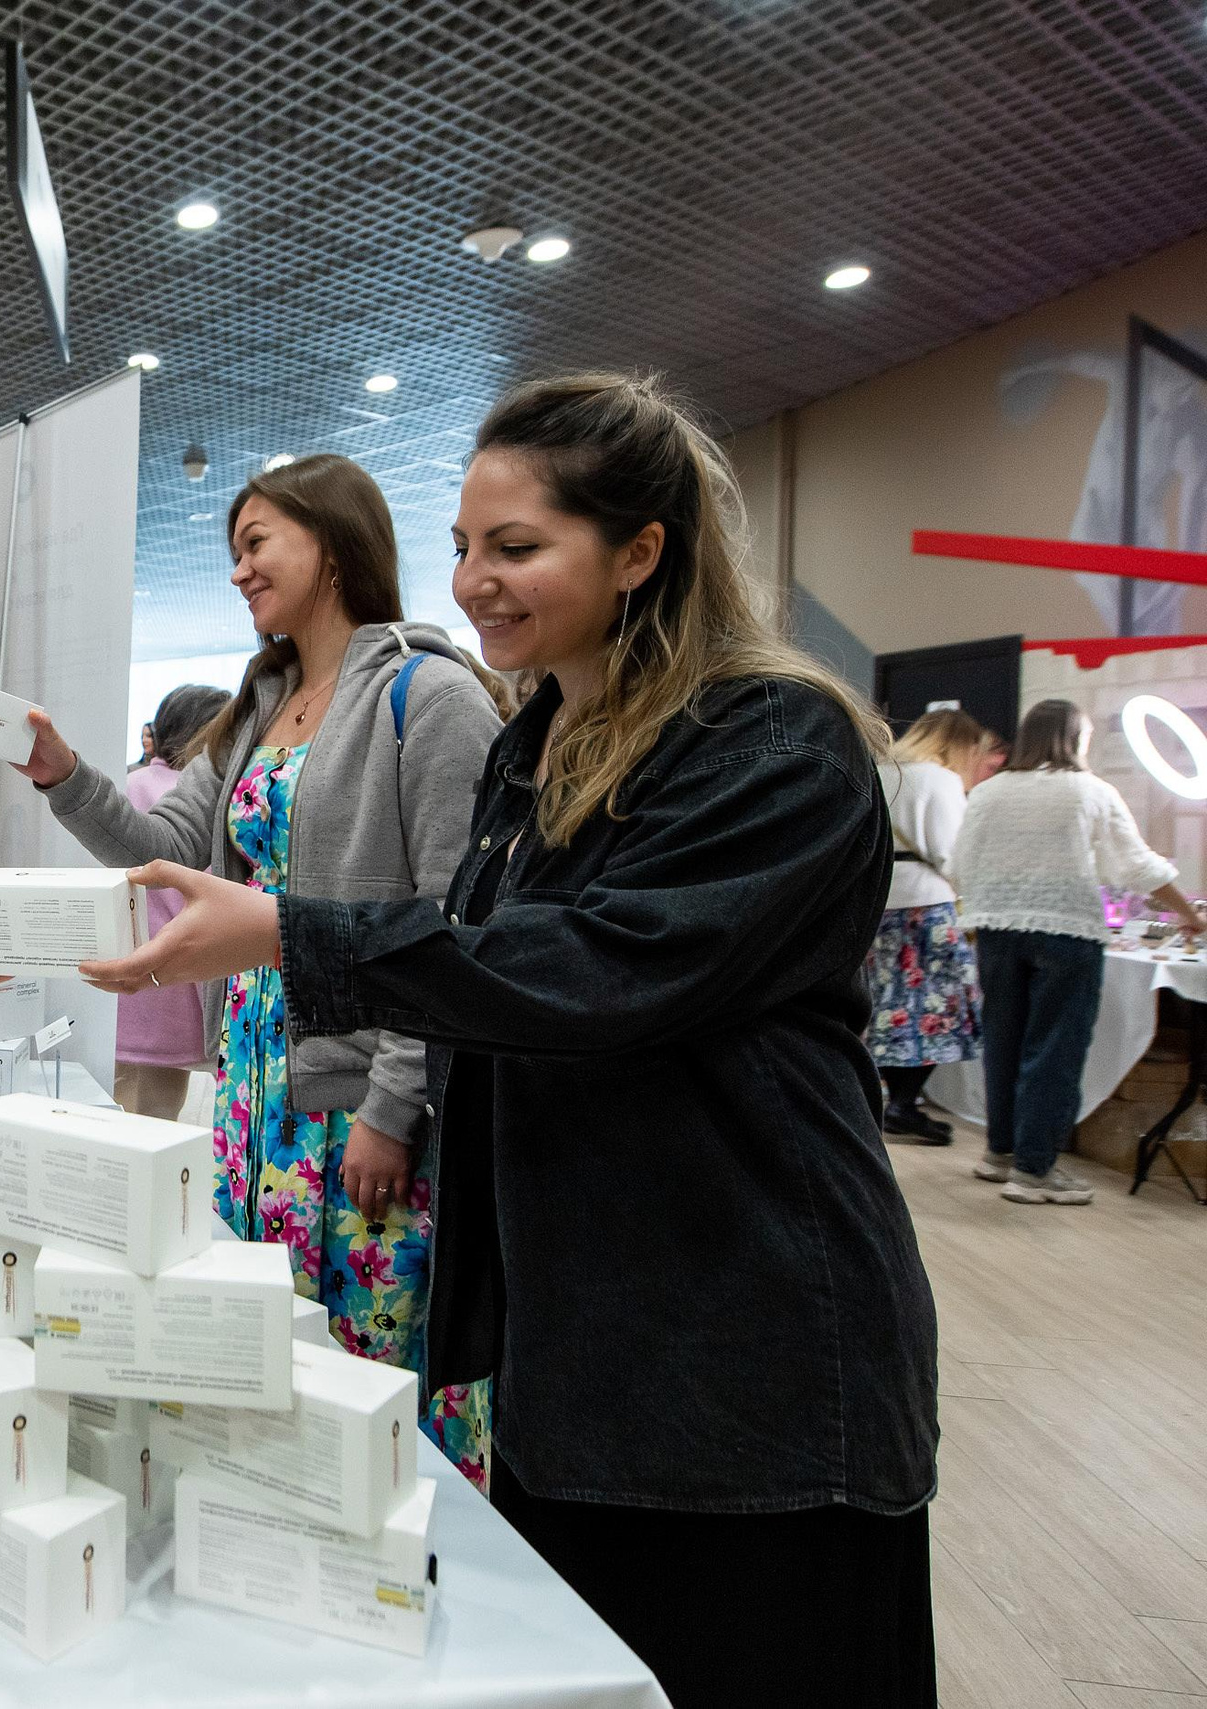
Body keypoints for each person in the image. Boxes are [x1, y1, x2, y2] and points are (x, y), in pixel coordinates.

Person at [82, 373, 940, 1708]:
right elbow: (472, 953)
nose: (476, 582)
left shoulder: (773, 736)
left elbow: (598, 969)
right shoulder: (538, 730)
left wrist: (296, 940)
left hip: (739, 1328)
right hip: (573, 1322)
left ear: (642, 551)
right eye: (468, 547)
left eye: (519, 548)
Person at [16, 452, 504, 1485]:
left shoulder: (430, 692)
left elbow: (453, 928)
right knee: (275, 1326)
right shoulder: (260, 705)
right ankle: (281, 1519)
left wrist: (392, 1103)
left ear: (331, 542)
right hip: (256, 1074)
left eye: (254, 543)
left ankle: (405, 1549)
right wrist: (60, 773)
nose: (237, 569)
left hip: (364, 1081)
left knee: (377, 1348)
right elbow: (161, 843)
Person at [952, 697, 1206, 1205]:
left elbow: (960, 863)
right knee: (1054, 1050)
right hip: (1067, 932)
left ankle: (999, 1153)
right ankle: (1035, 1171)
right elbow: (1138, 867)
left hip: (996, 933)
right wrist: (1191, 914)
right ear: (1075, 738)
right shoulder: (1089, 790)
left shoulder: (988, 793)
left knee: (1004, 1043)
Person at [868, 708, 997, 1143]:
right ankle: (905, 1103)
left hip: (879, 899)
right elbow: (953, 854)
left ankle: (892, 1099)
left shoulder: (882, 772)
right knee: (938, 1005)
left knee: (888, 1002)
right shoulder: (938, 779)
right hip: (926, 903)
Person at [110, 684, 230, 1118]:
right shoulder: (207, 803)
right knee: (159, 1119)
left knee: (123, 1113)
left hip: (122, 987)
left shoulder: (126, 786)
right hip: (179, 989)